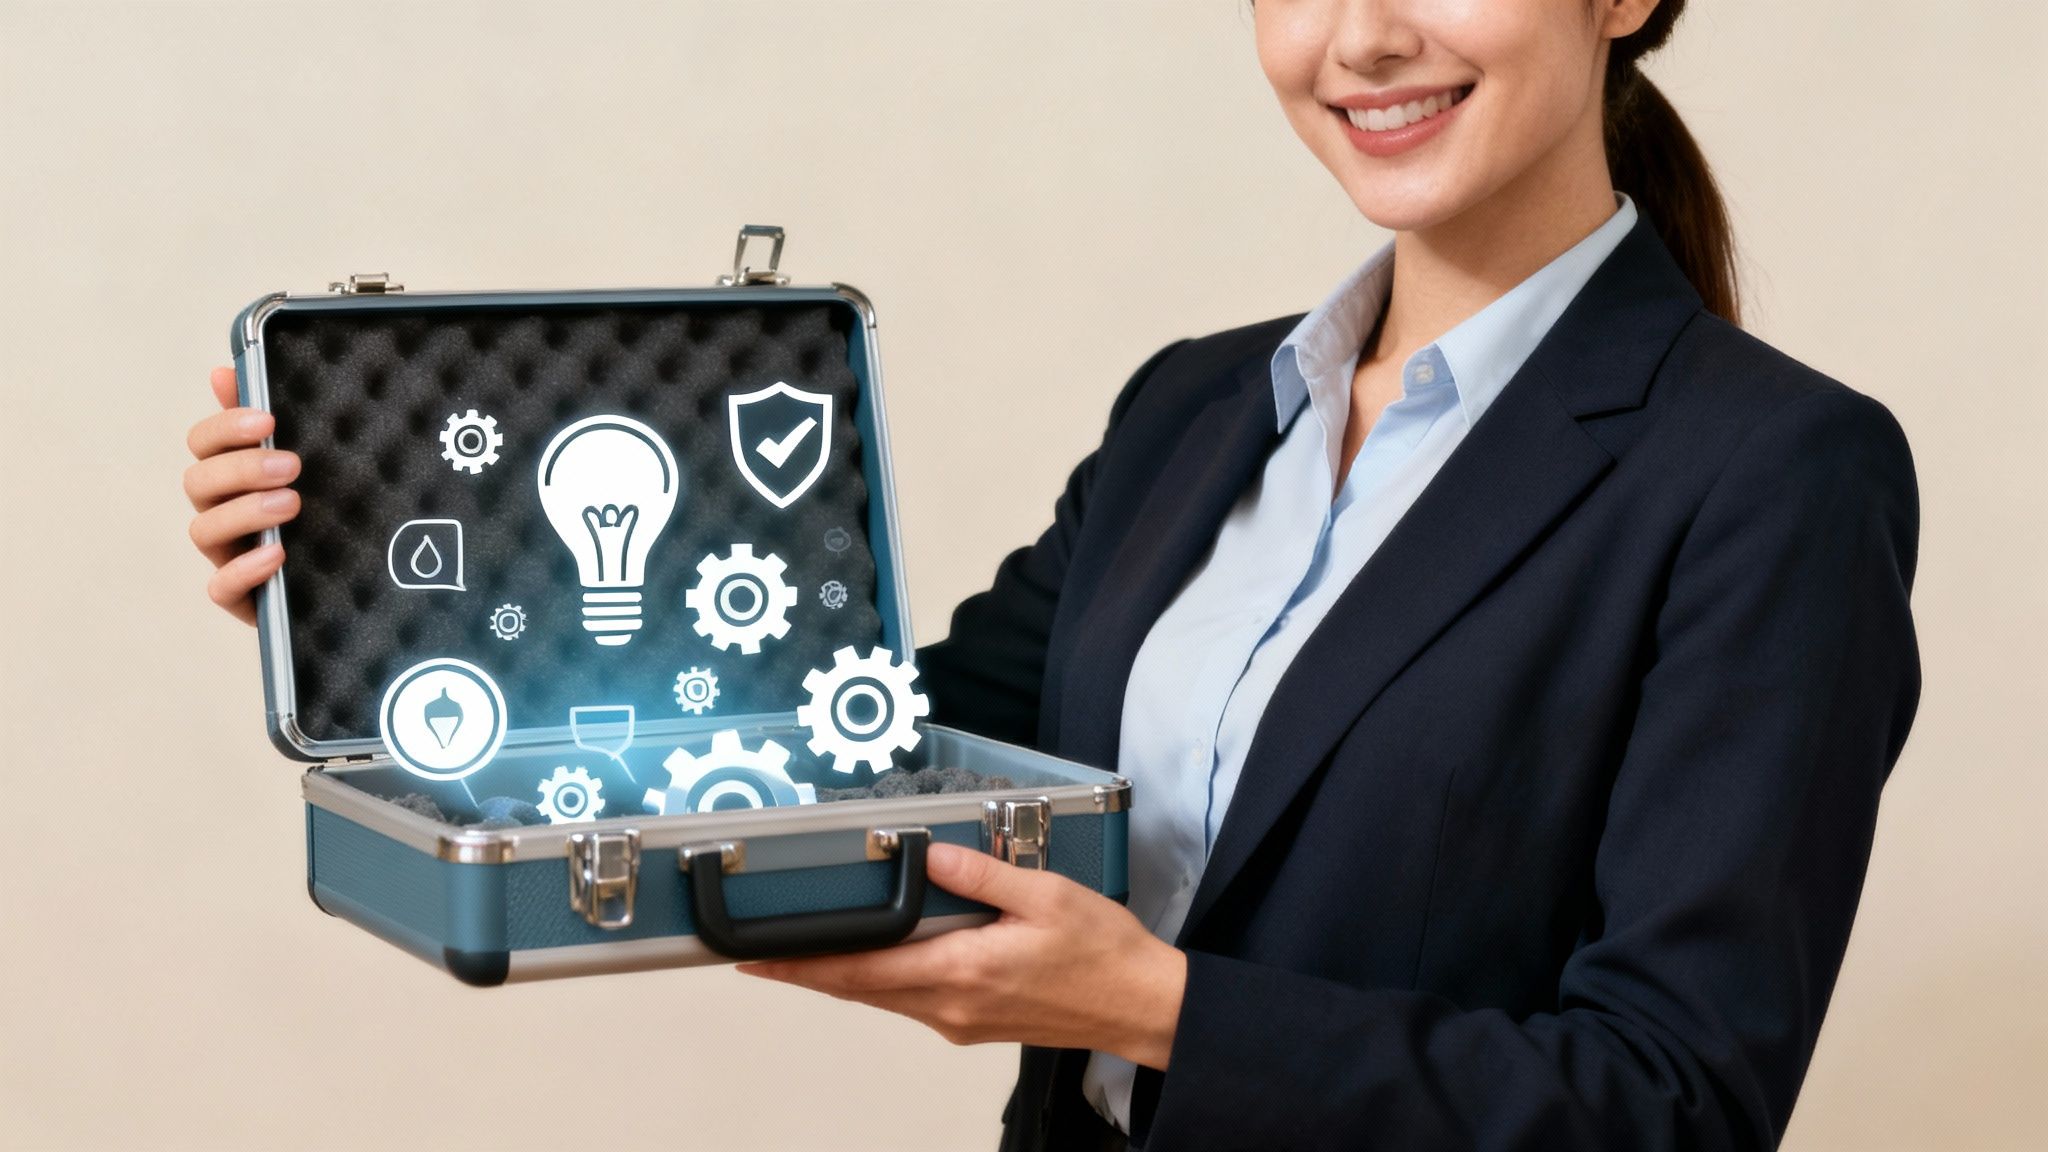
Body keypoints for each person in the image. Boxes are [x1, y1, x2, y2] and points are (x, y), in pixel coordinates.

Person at [184, 0, 1922, 1147]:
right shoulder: (1190, 409)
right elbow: (861, 746)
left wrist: (1157, 1012)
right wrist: (397, 600)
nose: (1366, 34)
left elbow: (1674, 1104)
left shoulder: (1773, 475)